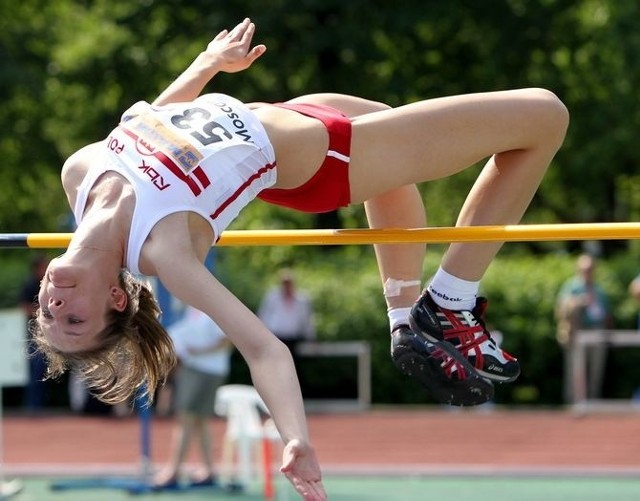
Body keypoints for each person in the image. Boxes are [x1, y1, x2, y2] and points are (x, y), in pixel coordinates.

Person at [30, 18, 569, 500]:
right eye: (75, 319)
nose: (55, 305)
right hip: (326, 159)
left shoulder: (78, 173)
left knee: (395, 155)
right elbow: (264, 350)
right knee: (544, 116)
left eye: (49, 315)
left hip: (291, 113)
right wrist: (296, 439)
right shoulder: (164, 251)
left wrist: (207, 65)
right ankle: (451, 300)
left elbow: (152, 120)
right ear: (116, 297)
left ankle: (406, 319)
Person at [153, 305, 231, 490]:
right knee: (199, 421)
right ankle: (209, 470)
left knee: (186, 419)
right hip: (197, 369)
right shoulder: (192, 310)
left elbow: (227, 340)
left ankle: (174, 471)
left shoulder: (213, 308)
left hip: (204, 371)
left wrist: (197, 351)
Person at [555, 253, 612, 403]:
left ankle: (593, 401)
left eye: (591, 269)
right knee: (575, 371)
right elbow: (561, 310)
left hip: (597, 332)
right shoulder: (571, 287)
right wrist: (578, 303)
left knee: (596, 370)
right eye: (585, 269)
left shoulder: (599, 289)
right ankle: (573, 402)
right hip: (577, 333)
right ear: (579, 269)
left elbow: (607, 314)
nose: (588, 272)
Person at [258, 268, 315, 358]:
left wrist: (311, 338)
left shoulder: (302, 299)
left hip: (294, 339)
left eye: (289, 282)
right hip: (276, 337)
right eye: (284, 282)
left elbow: (307, 320)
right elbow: (264, 316)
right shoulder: (272, 297)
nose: (287, 285)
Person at [20, 253, 50, 411]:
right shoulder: (29, 284)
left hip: (48, 333)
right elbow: (24, 309)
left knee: (43, 372)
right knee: (36, 371)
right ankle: (33, 406)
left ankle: (38, 405)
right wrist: (41, 311)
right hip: (34, 335)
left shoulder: (48, 283)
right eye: (43, 265)